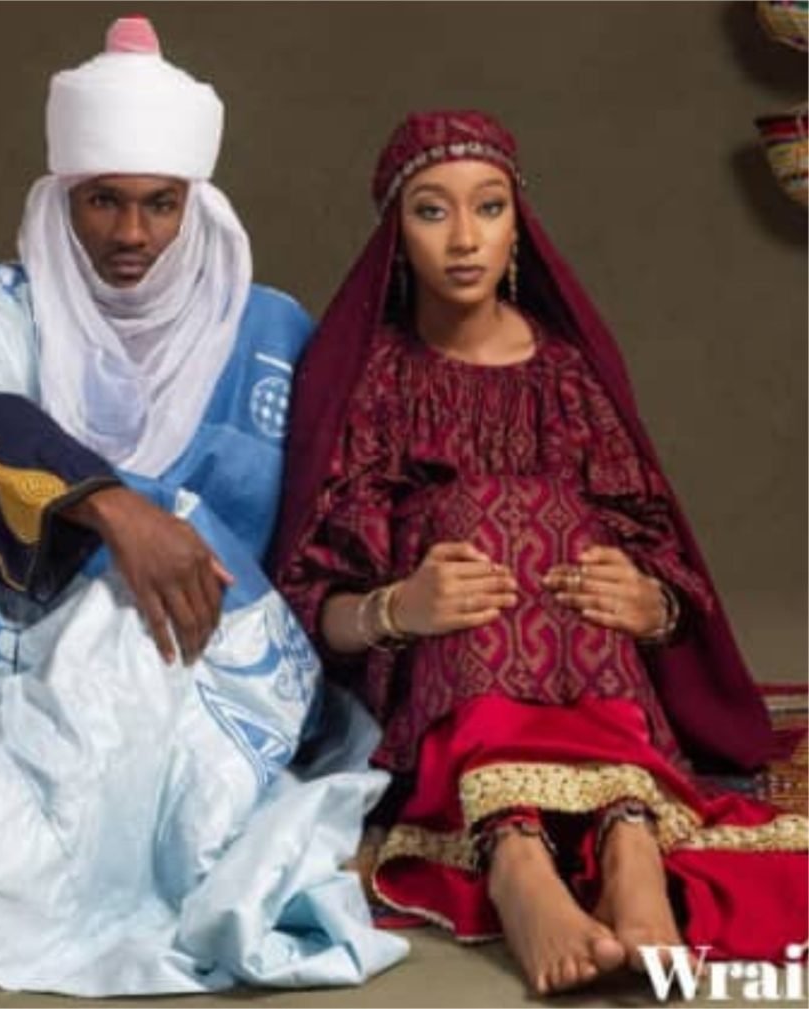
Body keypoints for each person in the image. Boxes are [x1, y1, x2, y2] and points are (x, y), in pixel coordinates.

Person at [0, 18, 407, 1006]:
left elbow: (358, 501)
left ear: (195, 203)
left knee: (119, 644)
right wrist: (116, 511)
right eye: (103, 201)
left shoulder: (273, 334)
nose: (131, 235)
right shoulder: (5, 305)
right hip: (13, 617)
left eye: (160, 204)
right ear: (62, 197)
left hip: (203, 648)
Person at [273, 109, 807, 996]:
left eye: (489, 207)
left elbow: (655, 549)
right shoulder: (372, 380)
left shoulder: (566, 373)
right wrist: (396, 608)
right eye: (433, 211)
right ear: (395, 234)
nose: (465, 238)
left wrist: (651, 602)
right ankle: (516, 855)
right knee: (474, 511)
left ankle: (630, 844)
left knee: (555, 515)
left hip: (587, 669)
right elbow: (308, 599)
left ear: (518, 225)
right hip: (430, 679)